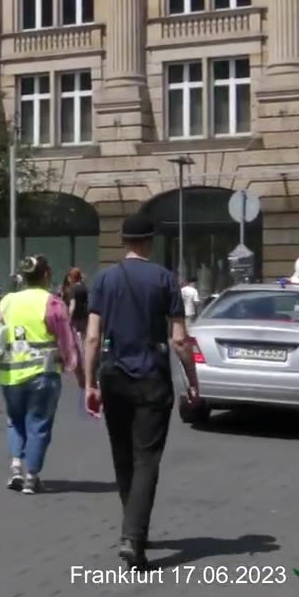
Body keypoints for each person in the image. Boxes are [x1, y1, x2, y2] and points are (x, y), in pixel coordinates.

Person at [82, 212, 199, 569]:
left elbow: (91, 336)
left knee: (122, 456)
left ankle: (133, 528)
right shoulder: (166, 280)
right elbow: (179, 339)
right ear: (149, 241)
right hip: (152, 378)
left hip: (113, 376)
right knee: (147, 459)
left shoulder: (104, 279)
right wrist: (192, 378)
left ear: (123, 240)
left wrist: (89, 383)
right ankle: (133, 538)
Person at [0, 255, 84, 495]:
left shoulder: (9, 301)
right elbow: (68, 343)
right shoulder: (53, 303)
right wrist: (79, 374)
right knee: (39, 425)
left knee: (15, 421)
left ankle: (15, 469)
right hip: (43, 375)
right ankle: (32, 477)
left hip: (11, 376)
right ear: (46, 275)